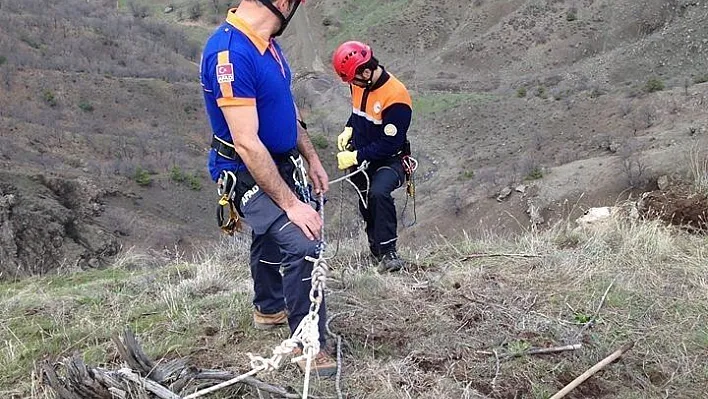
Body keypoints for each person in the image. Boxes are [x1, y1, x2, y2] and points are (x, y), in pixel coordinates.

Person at [200, 0, 336, 376]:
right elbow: (246, 142)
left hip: (279, 160)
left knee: (269, 234)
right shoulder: (230, 54)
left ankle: (268, 307)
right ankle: (309, 343)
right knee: (302, 241)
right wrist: (292, 204)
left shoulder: (267, 43)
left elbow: (284, 105)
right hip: (243, 169)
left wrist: (311, 157)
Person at [332, 41, 413, 273]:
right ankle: (375, 250)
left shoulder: (396, 97)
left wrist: (355, 156)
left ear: (366, 72)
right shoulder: (359, 83)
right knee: (366, 201)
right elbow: (358, 112)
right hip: (363, 156)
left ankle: (390, 253)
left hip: (390, 159)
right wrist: (349, 128)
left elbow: (390, 144)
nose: (351, 85)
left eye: (353, 79)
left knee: (379, 193)